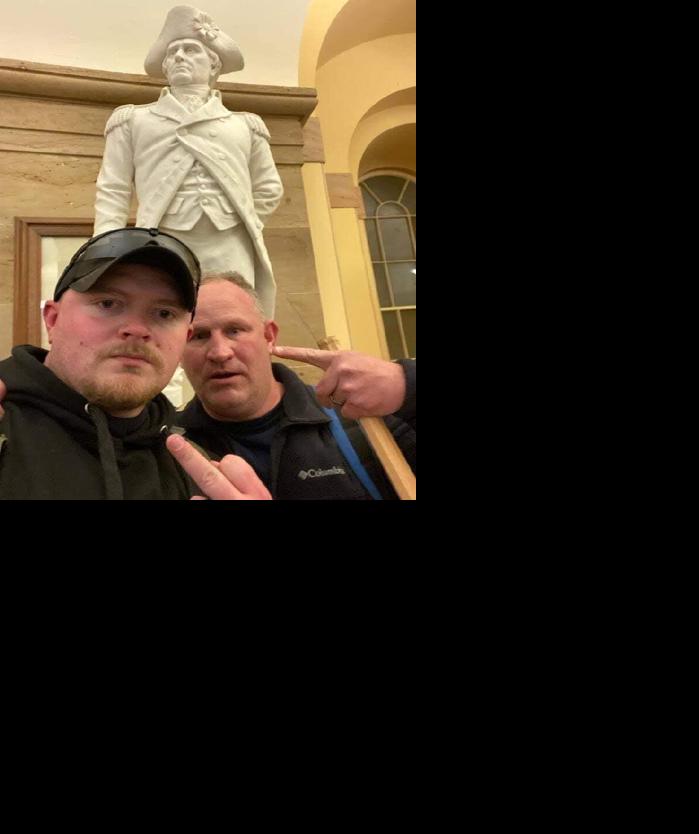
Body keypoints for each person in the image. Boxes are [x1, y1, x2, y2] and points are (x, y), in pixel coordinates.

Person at [0, 228, 270, 500]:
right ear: (52, 319)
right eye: (108, 303)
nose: (137, 329)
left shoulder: (201, 474)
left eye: (164, 313)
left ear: (184, 339)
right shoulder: (6, 430)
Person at [93, 5, 283, 318]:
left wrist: (238, 219)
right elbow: (112, 190)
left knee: (232, 316)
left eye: (191, 49)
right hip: (164, 237)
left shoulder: (245, 125)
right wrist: (105, 251)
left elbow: (269, 188)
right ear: (165, 66)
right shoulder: (133, 121)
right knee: (167, 312)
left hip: (230, 243)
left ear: (213, 66)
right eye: (173, 52)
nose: (179, 56)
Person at [174, 272, 416, 500]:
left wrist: (407, 384)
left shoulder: (363, 423)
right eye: (198, 336)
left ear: (269, 337)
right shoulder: (164, 450)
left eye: (235, 330)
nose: (219, 353)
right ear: (178, 350)